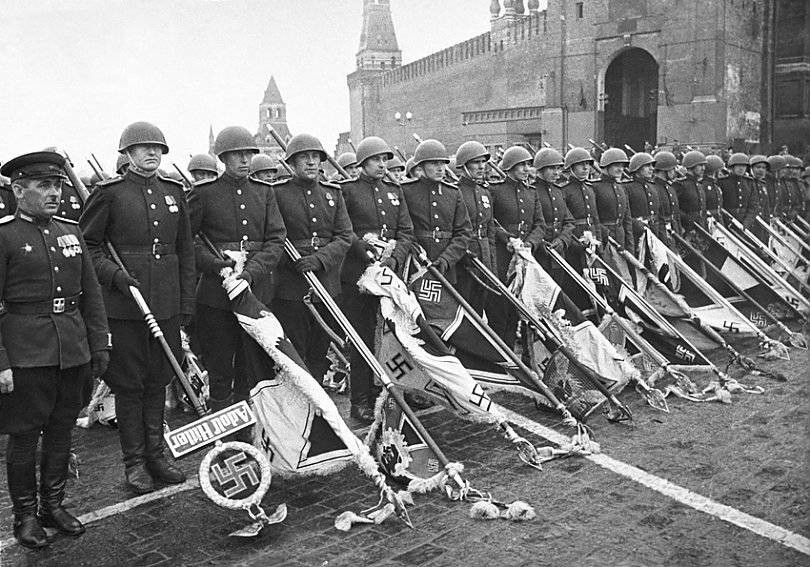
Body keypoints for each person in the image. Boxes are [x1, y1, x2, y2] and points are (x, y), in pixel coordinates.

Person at [0, 151, 110, 548]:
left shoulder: (70, 231)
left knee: (62, 430)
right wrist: (2, 362)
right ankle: (25, 516)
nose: (54, 193)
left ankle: (53, 505)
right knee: (25, 436)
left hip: (71, 346)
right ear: (18, 189)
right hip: (26, 352)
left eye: (58, 185)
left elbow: (92, 293)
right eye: (43, 185)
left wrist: (98, 343)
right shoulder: (5, 234)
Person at [80, 121, 195, 494]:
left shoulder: (174, 192)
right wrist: (115, 275)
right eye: (142, 148)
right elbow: (88, 248)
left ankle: (157, 457)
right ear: (126, 154)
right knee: (129, 386)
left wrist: (185, 303)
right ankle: (134, 464)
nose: (151, 154)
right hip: (126, 306)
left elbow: (185, 251)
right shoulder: (110, 194)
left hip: (165, 302)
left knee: (158, 380)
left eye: (157, 149)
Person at [188, 126, 286, 412]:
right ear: (223, 158)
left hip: (256, 292)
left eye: (248, 154)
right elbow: (189, 241)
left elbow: (276, 240)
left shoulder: (264, 193)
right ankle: (224, 434)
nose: (244, 160)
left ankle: (250, 428)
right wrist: (216, 265)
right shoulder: (204, 194)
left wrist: (252, 272)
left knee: (251, 365)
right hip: (216, 295)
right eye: (236, 155)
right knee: (220, 367)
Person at [339, 136, 413, 423]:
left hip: (390, 274)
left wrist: (393, 259)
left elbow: (406, 231)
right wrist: (368, 254)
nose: (382, 165)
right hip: (358, 275)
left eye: (384, 160)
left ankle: (390, 390)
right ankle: (360, 399)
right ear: (362, 163)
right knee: (362, 336)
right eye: (375, 160)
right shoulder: (349, 191)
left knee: (393, 333)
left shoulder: (394, 190)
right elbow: (345, 231)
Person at [272, 134, 353, 381]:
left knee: (320, 348)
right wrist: (292, 262)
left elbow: (344, 235)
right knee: (294, 348)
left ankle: (318, 405)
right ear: (292, 163)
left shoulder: (332, 193)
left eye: (315, 157)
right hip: (291, 285)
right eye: (304, 158)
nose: (310, 162)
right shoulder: (278, 193)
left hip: (326, 283)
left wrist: (320, 260)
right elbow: (273, 236)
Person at [489, 145, 546, 347]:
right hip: (504, 256)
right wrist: (507, 239)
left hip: (527, 256)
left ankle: (515, 348)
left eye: (527, 165)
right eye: (521, 165)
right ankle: (500, 350)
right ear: (510, 166)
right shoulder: (495, 190)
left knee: (521, 305)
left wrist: (530, 244)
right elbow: (490, 223)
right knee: (502, 304)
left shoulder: (531, 192)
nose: (525, 169)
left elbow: (540, 224)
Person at [402, 138, 472, 287]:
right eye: (434, 163)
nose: (440, 168)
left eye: (442, 163)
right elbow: (403, 229)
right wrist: (416, 253)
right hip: (415, 266)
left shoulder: (453, 193)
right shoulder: (406, 191)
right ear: (421, 166)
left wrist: (447, 259)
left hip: (446, 268)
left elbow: (464, 232)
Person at [454, 141, 497, 313]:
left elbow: (490, 230)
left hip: (484, 254)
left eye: (483, 162)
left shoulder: (485, 192)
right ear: (464, 165)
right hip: (465, 258)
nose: (481, 167)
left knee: (480, 306)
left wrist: (492, 264)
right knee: (465, 306)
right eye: (475, 163)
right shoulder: (456, 192)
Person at [532, 148, 576, 265]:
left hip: (559, 253)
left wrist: (562, 240)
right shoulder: (532, 191)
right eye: (552, 168)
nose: (556, 173)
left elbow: (569, 221)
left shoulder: (558, 191)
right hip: (539, 253)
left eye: (558, 168)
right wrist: (539, 243)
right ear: (540, 169)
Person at [592, 148, 634, 251]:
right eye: (616, 166)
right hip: (604, 239)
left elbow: (627, 220)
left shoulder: (621, 187)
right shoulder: (595, 187)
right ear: (606, 166)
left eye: (622, 166)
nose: (621, 169)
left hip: (621, 238)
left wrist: (630, 246)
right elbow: (593, 218)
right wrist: (604, 234)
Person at [625, 152, 662, 249]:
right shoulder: (627, 187)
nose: (652, 169)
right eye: (647, 166)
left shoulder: (652, 187)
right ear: (637, 168)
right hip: (637, 235)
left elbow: (658, 214)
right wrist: (637, 224)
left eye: (652, 166)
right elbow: (625, 215)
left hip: (654, 233)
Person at [650, 151, 682, 248]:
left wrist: (678, 230)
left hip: (673, 231)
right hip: (661, 233)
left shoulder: (670, 188)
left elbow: (676, 213)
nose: (674, 172)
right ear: (665, 170)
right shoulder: (653, 188)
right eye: (672, 169)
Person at [674, 150, 708, 233]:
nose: (703, 168)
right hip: (686, 229)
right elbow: (674, 208)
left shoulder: (699, 185)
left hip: (701, 228)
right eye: (700, 165)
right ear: (691, 165)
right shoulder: (680, 184)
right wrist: (688, 220)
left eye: (704, 165)